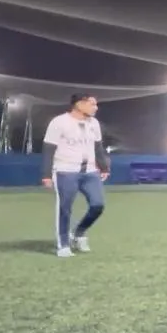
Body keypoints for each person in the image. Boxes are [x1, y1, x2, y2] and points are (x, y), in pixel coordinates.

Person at [40, 93, 110, 257]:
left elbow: (98, 147)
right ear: (79, 104)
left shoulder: (94, 123)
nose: (95, 108)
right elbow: (49, 150)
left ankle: (79, 234)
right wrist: (46, 174)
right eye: (92, 104)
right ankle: (63, 245)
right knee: (65, 208)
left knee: (98, 205)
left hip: (90, 171)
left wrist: (104, 167)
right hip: (65, 171)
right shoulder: (59, 122)